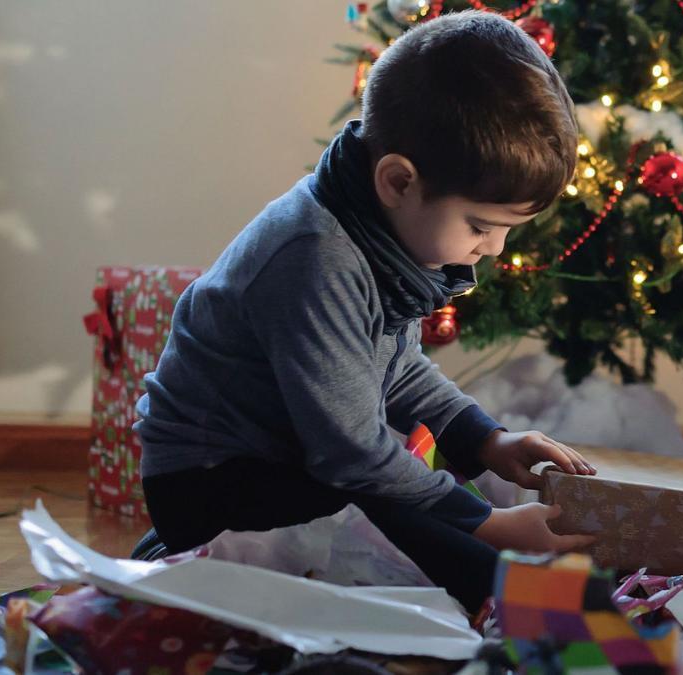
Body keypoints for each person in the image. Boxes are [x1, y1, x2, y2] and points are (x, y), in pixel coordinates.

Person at [133, 10, 594, 614]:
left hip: (291, 460)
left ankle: (509, 584)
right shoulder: (316, 258)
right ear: (399, 182)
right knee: (433, 533)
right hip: (214, 482)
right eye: (481, 226)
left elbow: (395, 369)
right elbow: (351, 454)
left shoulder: (376, 234)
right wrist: (487, 527)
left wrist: (487, 440)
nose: (495, 249)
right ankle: (527, 604)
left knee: (424, 508)